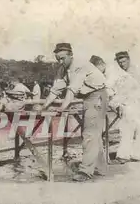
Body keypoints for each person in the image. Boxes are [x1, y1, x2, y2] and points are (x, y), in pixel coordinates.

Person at [42, 43, 107, 182]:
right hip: (87, 97)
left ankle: (85, 171)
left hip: (97, 95)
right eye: (57, 58)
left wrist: (61, 108)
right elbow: (56, 90)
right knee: (93, 133)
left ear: (71, 55)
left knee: (89, 134)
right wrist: (44, 106)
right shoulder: (62, 68)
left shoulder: (79, 65)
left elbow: (71, 91)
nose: (60, 61)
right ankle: (100, 168)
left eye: (63, 58)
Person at [90, 55, 140, 163]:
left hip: (132, 99)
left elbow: (109, 91)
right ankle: (136, 155)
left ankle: (123, 156)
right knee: (136, 128)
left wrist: (115, 104)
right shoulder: (113, 70)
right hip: (136, 98)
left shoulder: (111, 72)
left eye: (97, 69)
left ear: (101, 64)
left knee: (127, 127)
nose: (97, 72)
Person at [115, 51, 140, 141]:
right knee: (131, 130)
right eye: (119, 63)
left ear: (129, 60)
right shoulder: (122, 73)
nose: (121, 64)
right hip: (134, 103)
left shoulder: (136, 70)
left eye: (124, 62)